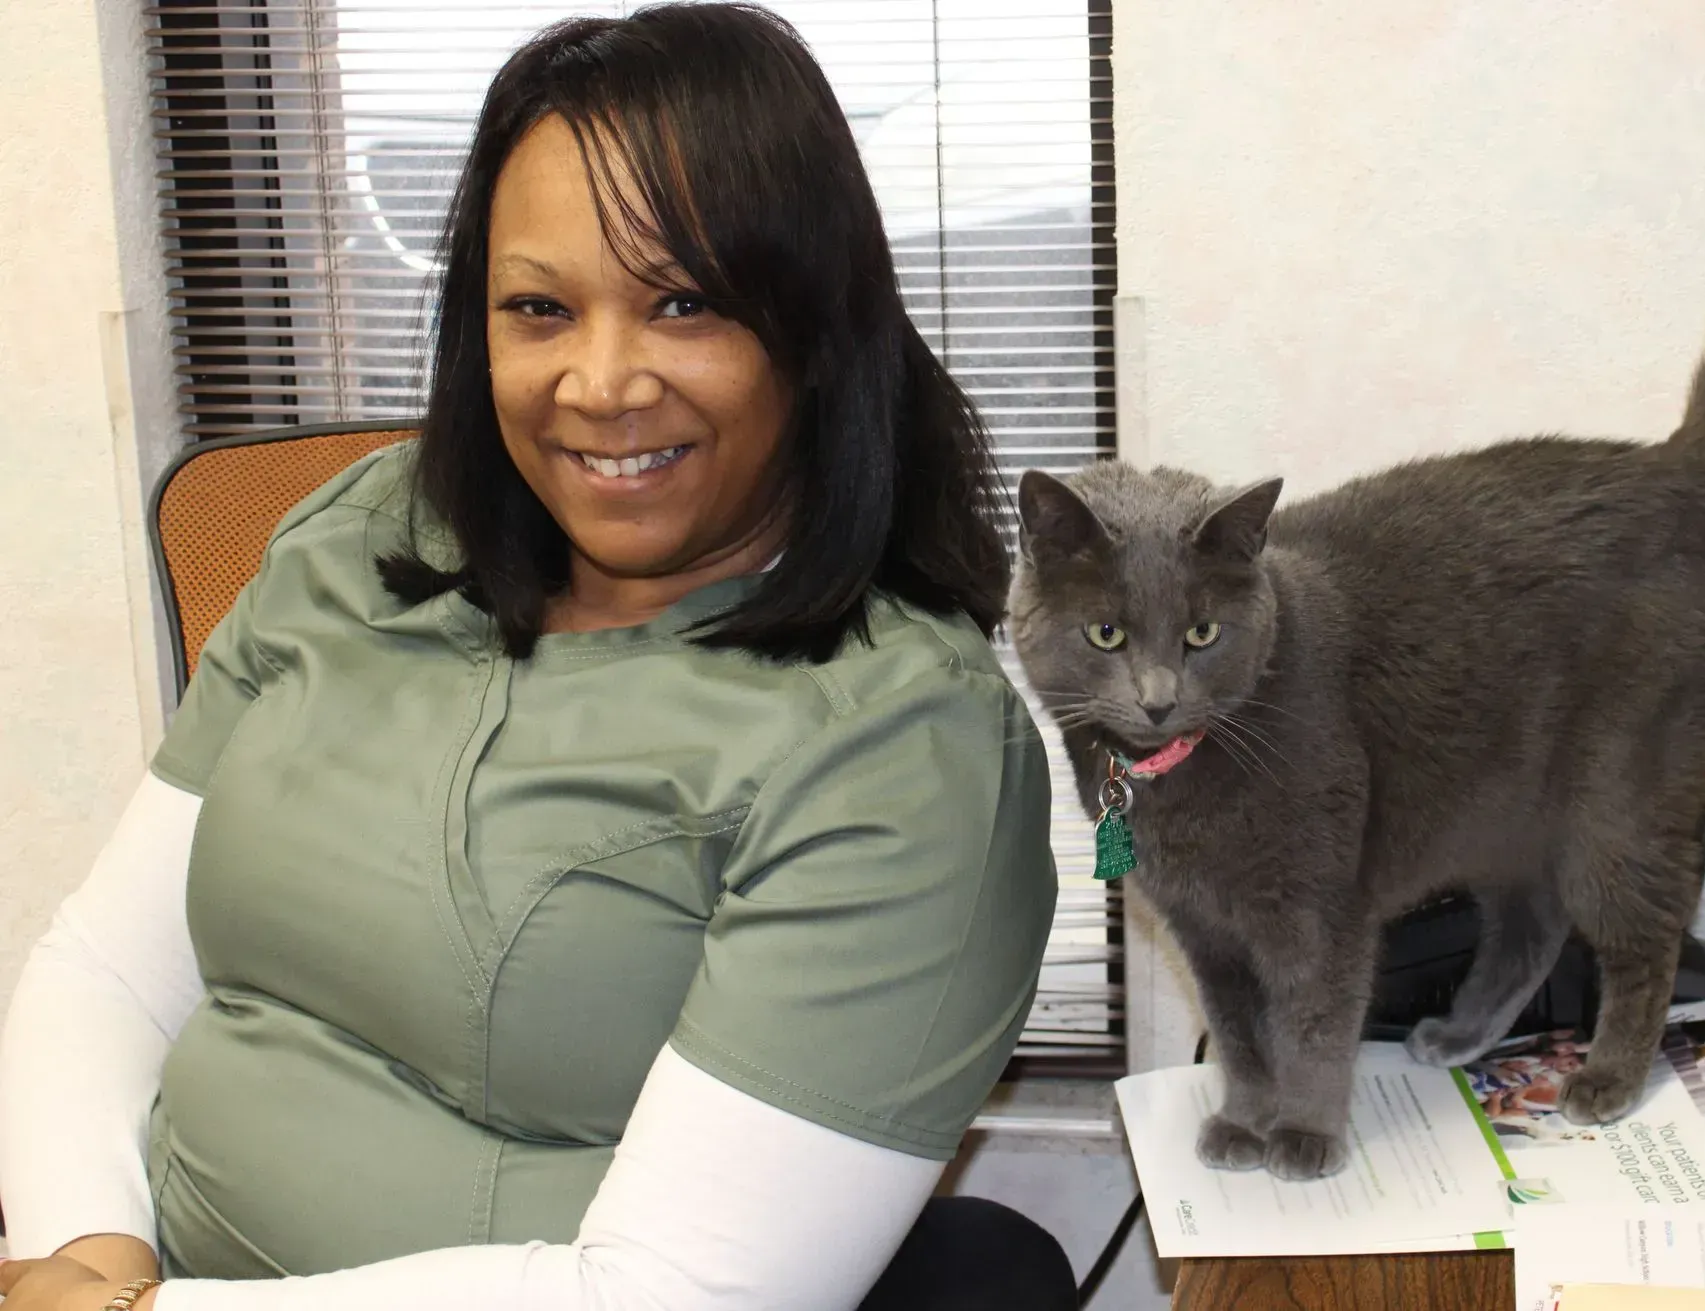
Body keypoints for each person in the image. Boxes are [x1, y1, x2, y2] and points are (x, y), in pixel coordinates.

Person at [0, 6, 1076, 1309]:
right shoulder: (364, 535)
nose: (602, 381)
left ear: (812, 327)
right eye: (540, 308)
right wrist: (87, 1252)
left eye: (683, 302)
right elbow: (111, 967)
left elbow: (679, 1292)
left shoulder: (906, 745)